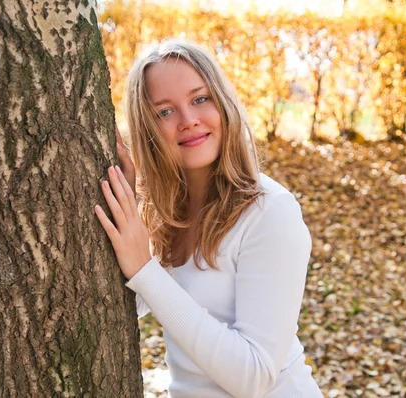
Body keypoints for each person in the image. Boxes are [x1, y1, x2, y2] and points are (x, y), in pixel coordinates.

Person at [94, 39, 323, 398]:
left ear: (223, 102)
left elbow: (255, 376)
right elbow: (134, 302)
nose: (189, 121)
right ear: (148, 130)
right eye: (165, 111)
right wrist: (132, 203)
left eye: (200, 99)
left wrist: (145, 270)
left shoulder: (270, 212)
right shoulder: (168, 210)